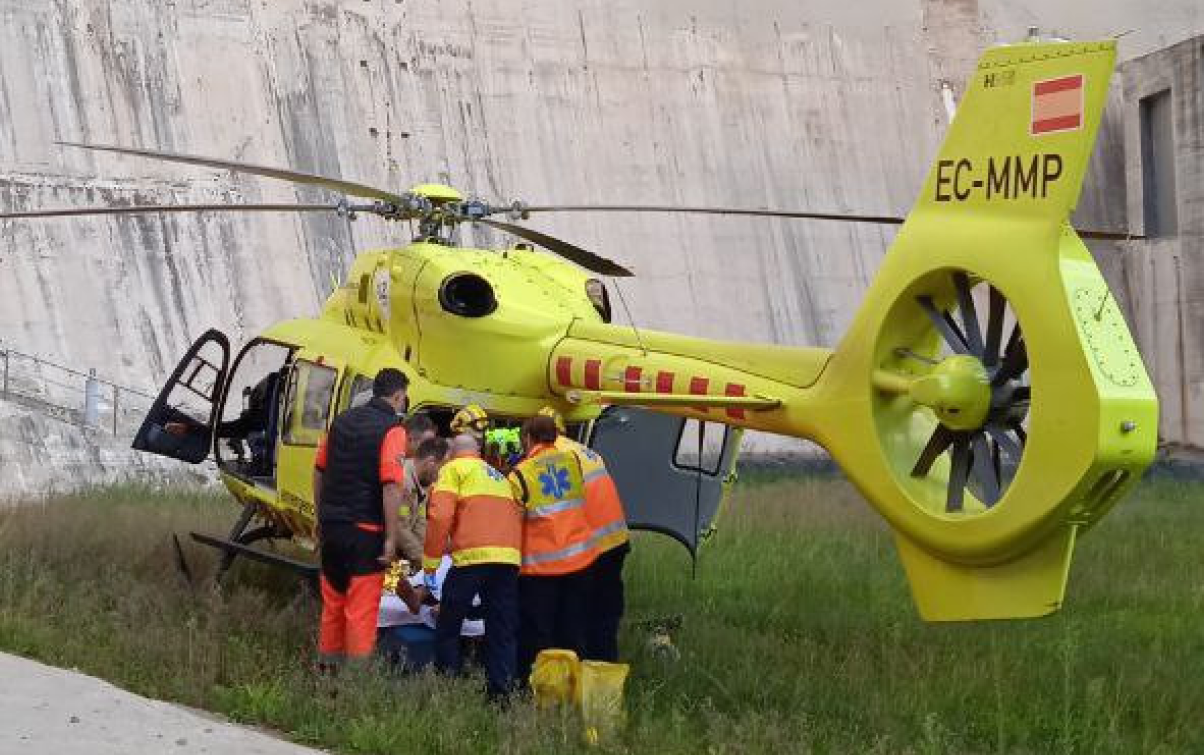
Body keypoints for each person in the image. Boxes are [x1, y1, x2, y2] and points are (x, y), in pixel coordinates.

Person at [311, 368, 409, 665]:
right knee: (361, 612)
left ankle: (328, 674)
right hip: (365, 531)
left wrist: (321, 518)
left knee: (333, 606)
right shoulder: (393, 429)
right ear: (397, 396)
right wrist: (391, 539)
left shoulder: (340, 422)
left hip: (332, 528)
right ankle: (356, 687)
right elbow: (391, 485)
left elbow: (318, 471)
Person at [423, 421, 524, 700]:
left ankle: (446, 686)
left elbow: (440, 516)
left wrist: (431, 565)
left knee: (448, 622)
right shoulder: (498, 476)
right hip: (507, 559)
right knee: (501, 629)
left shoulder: (453, 470)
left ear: (453, 453)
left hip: (471, 557)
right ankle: (500, 695)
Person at [538, 406, 631, 662]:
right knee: (605, 612)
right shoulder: (587, 452)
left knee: (575, 613)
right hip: (616, 542)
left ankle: (579, 673)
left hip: (592, 548)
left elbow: (554, 511)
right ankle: (604, 671)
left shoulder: (553, 457)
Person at [509, 414, 597, 679]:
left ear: (527, 438)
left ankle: (535, 687)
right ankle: (572, 685)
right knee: (573, 629)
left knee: (537, 634)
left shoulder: (520, 475)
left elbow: (512, 525)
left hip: (541, 569)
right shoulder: (573, 462)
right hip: (580, 562)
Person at [393, 418, 443, 571]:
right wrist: (422, 558)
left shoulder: (422, 483)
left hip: (401, 553)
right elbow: (400, 528)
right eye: (425, 443)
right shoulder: (403, 480)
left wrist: (427, 555)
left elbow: (420, 523)